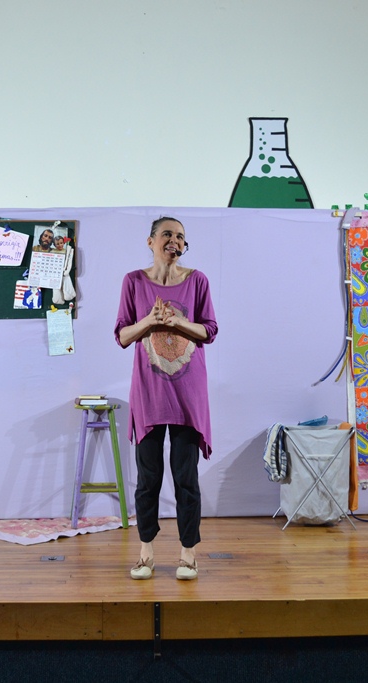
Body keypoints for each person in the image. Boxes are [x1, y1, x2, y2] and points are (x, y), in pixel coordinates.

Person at [114, 217, 218, 581]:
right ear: (151, 241)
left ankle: (188, 554)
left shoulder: (197, 280)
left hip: (188, 395)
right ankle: (146, 553)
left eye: (181, 237)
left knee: (185, 477)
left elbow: (209, 330)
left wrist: (177, 322)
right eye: (167, 234)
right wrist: (149, 320)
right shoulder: (133, 281)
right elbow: (123, 335)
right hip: (149, 393)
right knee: (148, 479)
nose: (175, 241)